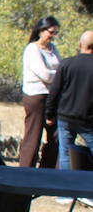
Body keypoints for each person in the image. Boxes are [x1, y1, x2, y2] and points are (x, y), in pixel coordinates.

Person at [46, 29, 93, 176]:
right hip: (89, 119)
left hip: (65, 117)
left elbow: (55, 91)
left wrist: (50, 113)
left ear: (80, 44)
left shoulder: (66, 64)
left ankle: (64, 192)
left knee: (65, 154)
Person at [19, 16, 61, 168]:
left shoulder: (53, 49)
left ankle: (47, 171)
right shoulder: (32, 49)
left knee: (56, 136)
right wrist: (58, 76)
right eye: (51, 32)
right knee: (33, 136)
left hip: (53, 97)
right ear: (41, 30)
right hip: (36, 97)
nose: (53, 36)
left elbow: (60, 69)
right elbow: (45, 74)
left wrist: (57, 75)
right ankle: (25, 171)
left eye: (55, 32)